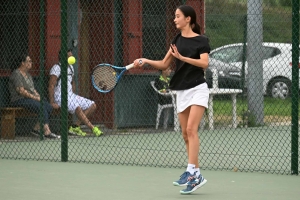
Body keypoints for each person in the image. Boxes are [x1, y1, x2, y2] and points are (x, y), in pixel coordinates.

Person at [133, 5, 210, 194]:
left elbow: (204, 64)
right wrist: (146, 60)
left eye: (178, 16)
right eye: (175, 16)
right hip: (181, 90)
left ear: (188, 19)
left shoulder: (201, 40)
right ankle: (196, 175)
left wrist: (183, 57)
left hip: (198, 88)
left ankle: (190, 170)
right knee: (185, 134)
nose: (174, 19)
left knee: (192, 129)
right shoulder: (175, 40)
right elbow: (164, 63)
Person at [48, 49, 103, 137]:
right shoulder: (56, 68)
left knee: (93, 105)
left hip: (71, 95)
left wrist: (73, 94)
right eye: (69, 56)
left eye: (71, 55)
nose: (71, 57)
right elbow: (51, 86)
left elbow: (72, 81)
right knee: (77, 107)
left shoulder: (71, 67)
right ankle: (92, 128)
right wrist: (52, 102)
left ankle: (75, 126)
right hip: (60, 97)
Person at [8, 54, 60, 139]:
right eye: (29, 61)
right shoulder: (16, 74)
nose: (31, 62)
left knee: (48, 106)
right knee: (41, 106)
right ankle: (47, 131)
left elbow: (33, 89)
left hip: (29, 99)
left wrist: (38, 96)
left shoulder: (28, 75)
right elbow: (21, 91)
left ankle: (36, 129)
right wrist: (35, 98)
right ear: (22, 63)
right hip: (19, 99)